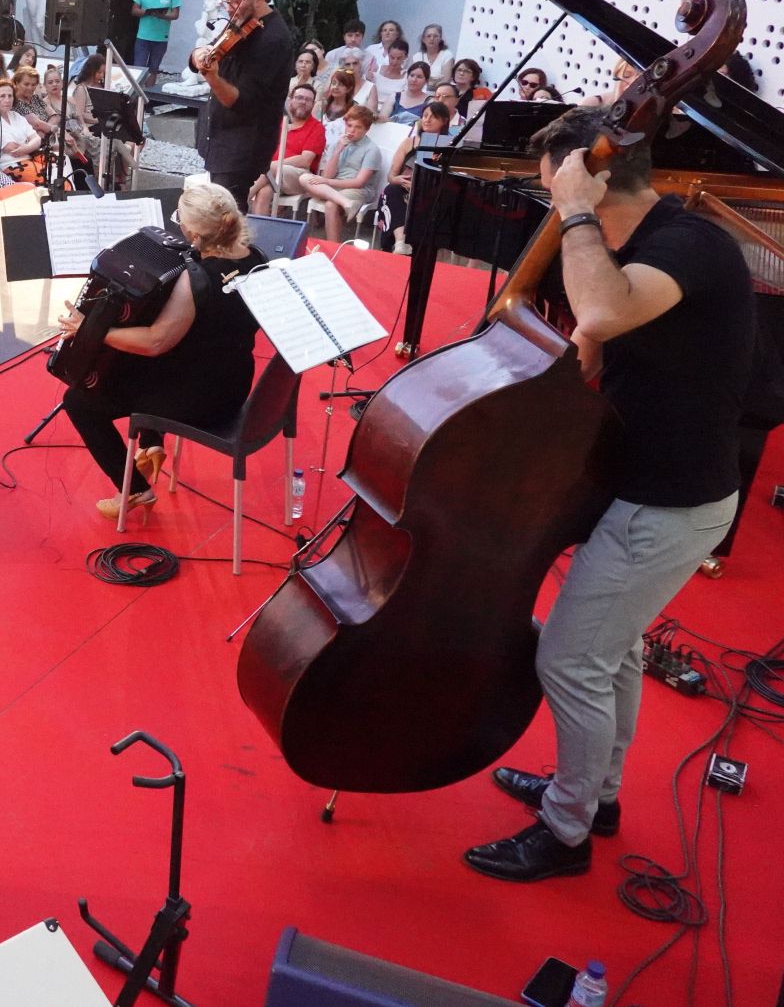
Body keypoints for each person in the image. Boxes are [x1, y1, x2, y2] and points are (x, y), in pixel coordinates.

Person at [464, 107, 753, 883]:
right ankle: (598, 797)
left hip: (669, 504)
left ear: (589, 179)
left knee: (568, 658)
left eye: (551, 189)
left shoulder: (686, 245)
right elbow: (593, 343)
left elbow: (599, 309)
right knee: (616, 651)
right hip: (650, 488)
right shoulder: (640, 247)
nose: (551, 210)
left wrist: (576, 210)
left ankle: (565, 832)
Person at [61, 182, 267, 521]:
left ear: (196, 235)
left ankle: (136, 490)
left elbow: (156, 341)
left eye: (181, 222)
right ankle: (151, 443)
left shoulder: (196, 279)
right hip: (234, 383)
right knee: (139, 365)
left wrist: (93, 331)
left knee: (79, 401)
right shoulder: (257, 258)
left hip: (200, 402)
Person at [190, 0, 296, 210]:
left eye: (236, 0)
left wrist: (213, 78)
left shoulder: (273, 40)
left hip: (242, 148)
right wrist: (199, 54)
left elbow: (240, 101)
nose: (230, 7)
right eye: (227, 0)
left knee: (227, 220)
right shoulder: (239, 21)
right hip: (222, 140)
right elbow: (206, 54)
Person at [296, 105, 385, 243]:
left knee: (331, 205)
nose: (352, 130)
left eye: (358, 127)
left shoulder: (372, 150)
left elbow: (359, 182)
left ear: (366, 129)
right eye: (349, 126)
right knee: (304, 178)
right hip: (334, 186)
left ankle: (333, 246)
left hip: (358, 189)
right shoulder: (339, 144)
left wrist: (327, 182)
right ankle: (346, 203)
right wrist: (338, 150)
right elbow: (327, 175)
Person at [378, 101, 449, 252]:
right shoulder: (408, 142)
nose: (427, 120)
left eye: (433, 117)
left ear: (444, 121)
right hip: (404, 188)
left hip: (431, 193)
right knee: (391, 190)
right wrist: (396, 179)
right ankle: (400, 241)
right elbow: (391, 175)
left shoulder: (448, 146)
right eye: (425, 115)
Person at [249, 84, 328, 217]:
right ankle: (259, 233)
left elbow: (305, 161)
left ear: (313, 104)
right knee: (264, 192)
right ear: (290, 100)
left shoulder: (316, 128)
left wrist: (274, 165)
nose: (303, 102)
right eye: (299, 98)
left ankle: (242, 198)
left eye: (308, 100)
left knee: (270, 169)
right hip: (269, 176)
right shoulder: (277, 122)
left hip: (299, 176)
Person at [131, 0, 182, 82]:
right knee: (138, 69)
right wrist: (148, 12)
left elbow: (175, 14)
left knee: (153, 70)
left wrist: (162, 16)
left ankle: (148, 97)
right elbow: (134, 10)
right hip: (143, 36)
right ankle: (135, 98)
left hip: (160, 38)